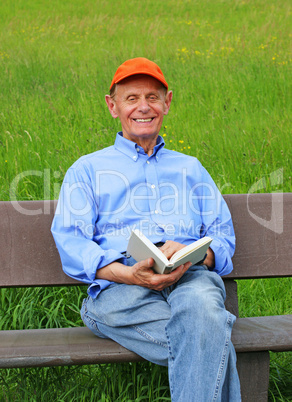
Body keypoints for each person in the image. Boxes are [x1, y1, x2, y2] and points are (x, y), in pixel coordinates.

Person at [51, 57, 241, 401]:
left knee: (202, 312)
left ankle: (205, 325)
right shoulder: (87, 170)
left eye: (152, 97)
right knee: (208, 333)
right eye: (131, 98)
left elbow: (223, 235)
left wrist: (195, 255)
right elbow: (71, 240)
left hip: (190, 278)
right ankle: (209, 329)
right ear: (113, 106)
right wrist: (128, 274)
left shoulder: (190, 168)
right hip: (120, 291)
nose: (143, 107)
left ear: (167, 103)